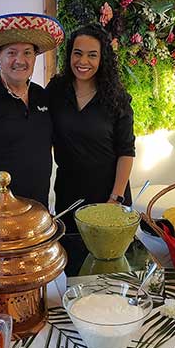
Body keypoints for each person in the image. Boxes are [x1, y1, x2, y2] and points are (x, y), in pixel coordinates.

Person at [0, 13, 65, 208]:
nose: (20, 60)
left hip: (37, 210)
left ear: (35, 57)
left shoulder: (42, 96)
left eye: (27, 52)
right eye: (11, 52)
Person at [46, 24, 136, 236]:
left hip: (109, 195)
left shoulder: (116, 98)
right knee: (72, 259)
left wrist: (115, 199)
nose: (83, 62)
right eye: (77, 53)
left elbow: (126, 151)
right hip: (68, 194)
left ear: (102, 58)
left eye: (92, 55)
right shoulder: (56, 90)